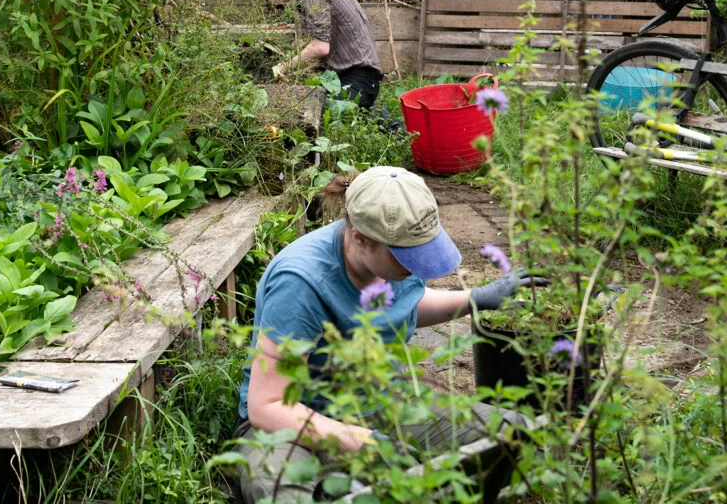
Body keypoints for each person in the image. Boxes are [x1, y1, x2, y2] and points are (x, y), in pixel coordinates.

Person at [234, 166, 547, 503]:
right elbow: (267, 406)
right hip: (294, 422)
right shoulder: (302, 282)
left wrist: (474, 299)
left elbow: (404, 305)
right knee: (280, 494)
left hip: (377, 402)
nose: (416, 267)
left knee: (510, 434)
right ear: (359, 238)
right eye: (407, 256)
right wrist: (359, 441)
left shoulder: (396, 258)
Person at [250, 0, 384, 109]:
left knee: (313, 115)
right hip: (357, 79)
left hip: (357, 79)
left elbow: (320, 47)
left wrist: (282, 68)